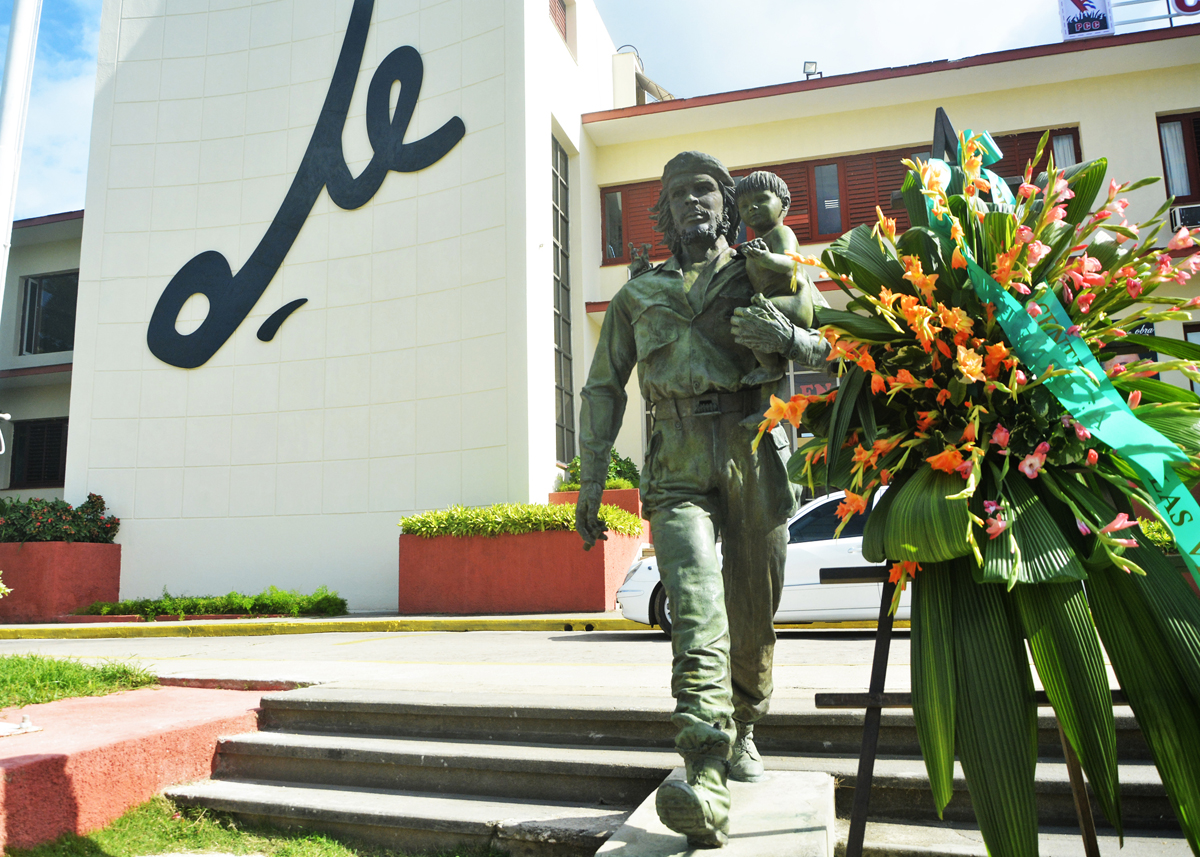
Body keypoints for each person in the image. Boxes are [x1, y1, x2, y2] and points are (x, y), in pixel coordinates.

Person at [575, 151, 804, 848]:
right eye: (679, 195)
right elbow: (603, 387)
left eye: (706, 191)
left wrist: (789, 338)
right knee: (698, 607)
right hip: (675, 459)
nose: (693, 203)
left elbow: (830, 347)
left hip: (752, 448)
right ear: (666, 215)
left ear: (726, 206)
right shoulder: (637, 296)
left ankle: (746, 722)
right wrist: (590, 477)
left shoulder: (764, 271)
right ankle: (703, 772)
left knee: (752, 610)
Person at [735, 171, 819, 388]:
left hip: (794, 302)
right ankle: (769, 367)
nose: (751, 208)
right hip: (774, 303)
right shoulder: (758, 242)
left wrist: (766, 258)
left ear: (784, 204)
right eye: (744, 206)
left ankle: (772, 368)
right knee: (748, 319)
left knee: (753, 318)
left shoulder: (781, 233)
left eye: (761, 199)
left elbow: (788, 262)